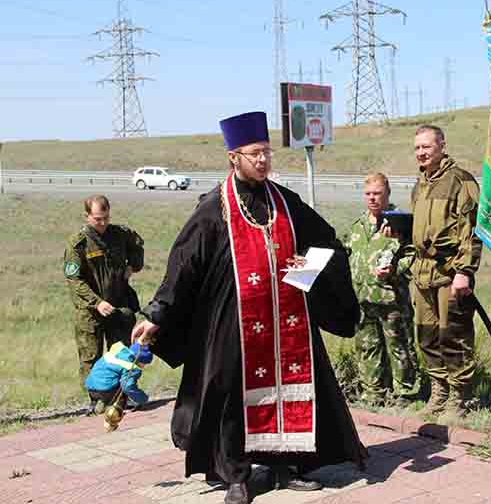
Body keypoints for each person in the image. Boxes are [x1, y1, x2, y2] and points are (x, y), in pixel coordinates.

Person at [130, 111, 366, 504]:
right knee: (230, 394)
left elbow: (327, 241)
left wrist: (304, 267)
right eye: (255, 153)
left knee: (287, 387)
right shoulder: (213, 207)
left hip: (286, 320)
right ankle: (236, 474)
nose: (263, 160)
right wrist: (156, 315)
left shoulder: (286, 203)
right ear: (233, 157)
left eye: (267, 153)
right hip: (231, 322)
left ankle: (283, 466)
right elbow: (184, 265)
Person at [401, 124, 482, 419]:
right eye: (417, 148)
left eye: (426, 147)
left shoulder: (460, 181)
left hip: (450, 273)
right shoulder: (420, 184)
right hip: (422, 273)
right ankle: (439, 391)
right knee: (427, 335)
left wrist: (465, 271)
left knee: (454, 334)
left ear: (442, 146)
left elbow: (472, 232)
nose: (421, 153)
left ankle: (460, 397)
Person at [343, 172, 419, 405]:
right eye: (368, 194)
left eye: (377, 193)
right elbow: (347, 254)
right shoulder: (357, 227)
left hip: (391, 299)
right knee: (368, 347)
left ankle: (405, 393)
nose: (372, 198)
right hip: (364, 299)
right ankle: (373, 393)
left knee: (400, 347)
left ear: (387, 194)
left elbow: (412, 253)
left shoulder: (401, 223)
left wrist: (394, 270)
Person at [63, 194, 144, 413]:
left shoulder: (119, 234)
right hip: (91, 310)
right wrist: (97, 303)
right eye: (98, 219)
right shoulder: (78, 244)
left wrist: (132, 267)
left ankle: (122, 396)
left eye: (106, 218)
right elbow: (74, 280)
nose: (102, 223)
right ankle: (96, 400)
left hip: (118, 304)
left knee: (122, 354)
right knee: (91, 356)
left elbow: (137, 246)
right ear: (87, 216)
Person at [85, 340, 152, 415]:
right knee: (124, 386)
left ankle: (95, 404)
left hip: (90, 387)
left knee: (111, 377)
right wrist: (143, 399)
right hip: (105, 391)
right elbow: (128, 386)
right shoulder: (131, 367)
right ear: (140, 361)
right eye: (145, 364)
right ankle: (112, 408)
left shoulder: (117, 352)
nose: (144, 366)